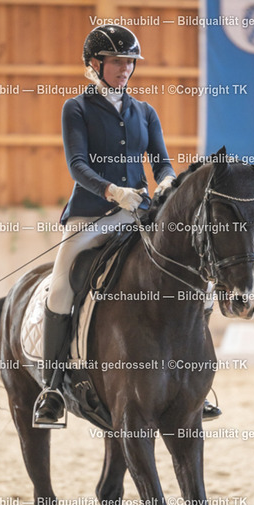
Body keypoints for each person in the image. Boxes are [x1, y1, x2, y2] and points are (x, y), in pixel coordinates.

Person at [33, 25, 220, 427]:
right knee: (61, 287)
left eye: (130, 62)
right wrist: (113, 191)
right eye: (117, 62)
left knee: (196, 281)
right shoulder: (76, 108)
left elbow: (161, 161)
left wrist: (167, 181)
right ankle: (51, 387)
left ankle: (194, 385)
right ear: (95, 64)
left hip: (138, 215)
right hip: (91, 216)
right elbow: (77, 165)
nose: (125, 69)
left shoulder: (145, 111)